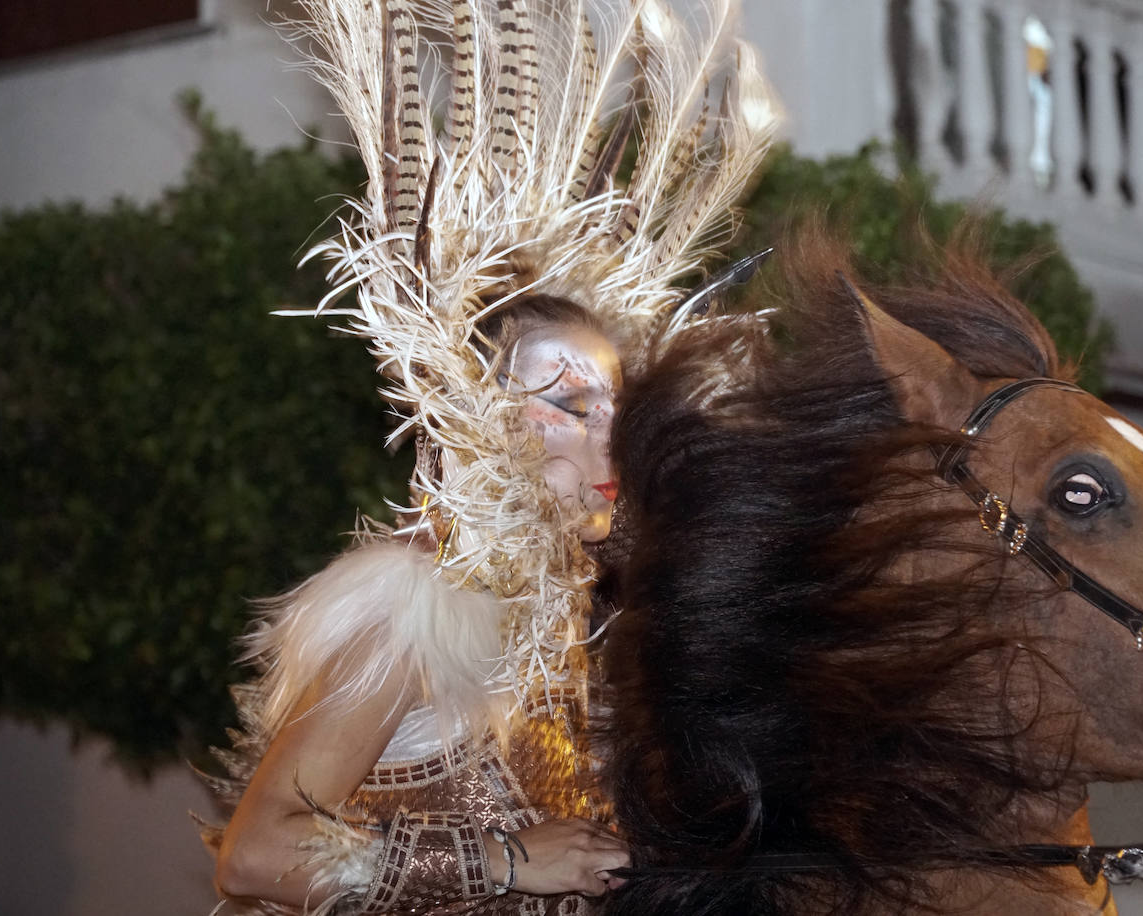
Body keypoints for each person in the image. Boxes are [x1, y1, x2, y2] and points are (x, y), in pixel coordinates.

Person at [196, 0, 777, 913]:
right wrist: (505, 861)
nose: (604, 439)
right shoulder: (411, 611)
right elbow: (258, 854)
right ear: (471, 412)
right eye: (567, 406)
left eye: (616, 411)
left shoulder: (578, 621)